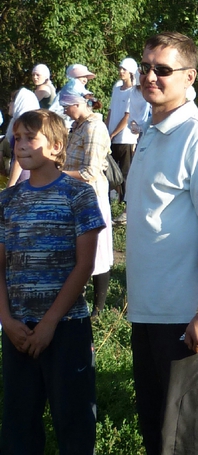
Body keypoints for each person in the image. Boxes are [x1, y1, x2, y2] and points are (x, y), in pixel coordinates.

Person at [125, 32, 198, 455]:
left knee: (186, 441)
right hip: (149, 309)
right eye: (145, 67)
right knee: (156, 433)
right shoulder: (151, 131)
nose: (150, 76)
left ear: (190, 77)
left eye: (163, 70)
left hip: (185, 316)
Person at [0, 109, 104, 454]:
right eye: (17, 138)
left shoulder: (78, 194)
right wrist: (7, 320)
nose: (21, 145)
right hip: (18, 330)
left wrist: (48, 324)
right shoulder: (7, 200)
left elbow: (84, 264)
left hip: (66, 326)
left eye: (31, 138)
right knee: (19, 425)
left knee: (74, 423)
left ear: (57, 146)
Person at [59, 80, 113, 318]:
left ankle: (98, 311)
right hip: (75, 195)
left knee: (98, 252)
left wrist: (58, 174)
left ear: (77, 104)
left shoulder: (94, 128)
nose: (64, 111)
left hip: (92, 198)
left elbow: (90, 172)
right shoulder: (78, 126)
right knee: (77, 251)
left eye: (66, 106)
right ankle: (77, 303)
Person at [106, 57, 140, 210]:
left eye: (124, 69)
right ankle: (110, 203)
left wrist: (113, 133)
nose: (121, 72)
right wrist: (107, 131)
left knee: (125, 173)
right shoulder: (116, 89)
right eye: (120, 68)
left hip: (125, 138)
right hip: (112, 138)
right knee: (109, 171)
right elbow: (111, 111)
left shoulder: (133, 92)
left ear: (131, 72)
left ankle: (126, 207)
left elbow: (127, 116)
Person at [6, 88, 40, 187]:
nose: (9, 104)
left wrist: (10, 185)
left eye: (12, 101)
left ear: (20, 102)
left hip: (22, 175)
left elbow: (19, 159)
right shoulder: (29, 126)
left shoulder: (23, 128)